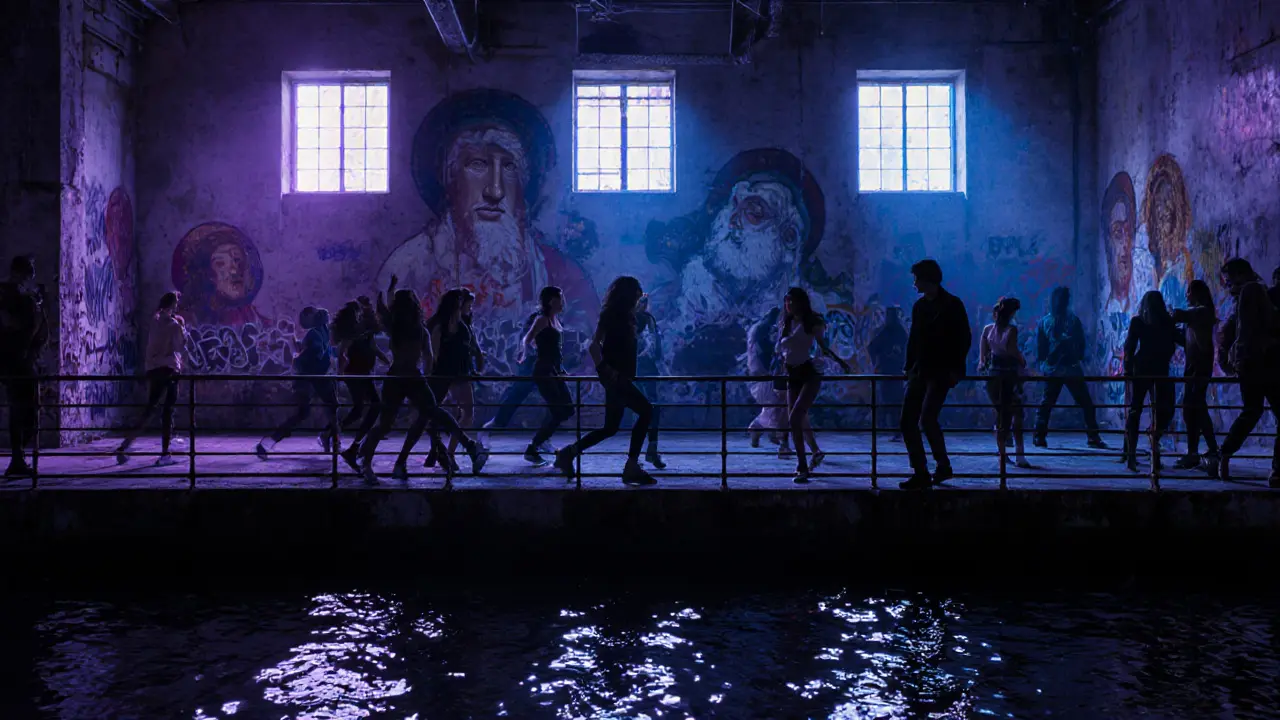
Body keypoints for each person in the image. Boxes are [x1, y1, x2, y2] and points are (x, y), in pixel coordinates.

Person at [358, 278, 488, 482]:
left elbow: (428, 357)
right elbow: (428, 358)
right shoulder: (415, 329)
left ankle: (367, 463)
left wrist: (386, 294)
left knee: (389, 422)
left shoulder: (403, 328)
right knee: (424, 414)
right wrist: (387, 294)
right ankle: (366, 461)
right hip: (410, 377)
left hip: (400, 377)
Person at [553, 276, 656, 486]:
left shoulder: (629, 317)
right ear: (629, 294)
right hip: (617, 379)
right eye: (637, 294)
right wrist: (606, 370)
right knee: (646, 411)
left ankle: (568, 453)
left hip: (620, 377)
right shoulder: (611, 315)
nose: (639, 298)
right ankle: (631, 466)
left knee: (610, 428)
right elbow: (594, 346)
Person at [899, 259, 970, 490]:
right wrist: (909, 367)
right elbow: (913, 339)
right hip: (920, 370)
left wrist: (955, 369)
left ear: (927, 279)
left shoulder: (952, 305)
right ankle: (922, 471)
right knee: (907, 421)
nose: (914, 284)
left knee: (927, 418)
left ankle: (941, 466)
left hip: (941, 371)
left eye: (916, 279)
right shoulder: (920, 307)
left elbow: (963, 339)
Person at [776, 287, 850, 484]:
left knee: (795, 417)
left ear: (801, 302)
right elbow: (783, 351)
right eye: (787, 301)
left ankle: (802, 466)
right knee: (797, 419)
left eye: (792, 301)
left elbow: (823, 347)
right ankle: (808, 458)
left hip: (809, 374)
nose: (789, 304)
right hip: (792, 375)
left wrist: (840, 362)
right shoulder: (786, 323)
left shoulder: (811, 322)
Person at [1216, 258, 1279, 486]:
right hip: (1262, 362)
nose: (1227, 285)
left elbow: (1239, 329)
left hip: (1252, 362)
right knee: (1255, 411)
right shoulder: (1254, 290)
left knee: (1251, 411)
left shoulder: (1248, 293)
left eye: (1229, 280)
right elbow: (1254, 326)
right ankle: (1277, 471)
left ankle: (1224, 453)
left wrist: (1234, 358)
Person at [256, 307, 341, 459]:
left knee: (326, 409)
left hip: (315, 378)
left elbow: (316, 352)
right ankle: (329, 439)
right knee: (314, 411)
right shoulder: (317, 334)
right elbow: (312, 353)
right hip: (312, 379)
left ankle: (330, 439)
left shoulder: (319, 333)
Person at [114, 292, 188, 467]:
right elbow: (180, 346)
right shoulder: (174, 325)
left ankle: (125, 446)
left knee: (150, 409)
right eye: (176, 302)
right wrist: (183, 328)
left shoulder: (155, 321)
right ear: (173, 304)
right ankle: (165, 454)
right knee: (168, 411)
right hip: (169, 369)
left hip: (153, 369)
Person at [1033, 286, 1108, 449]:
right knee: (1085, 403)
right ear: (1067, 301)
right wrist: (1076, 356)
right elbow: (1081, 345)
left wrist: (1046, 362)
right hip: (1071, 367)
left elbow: (1041, 350)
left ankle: (1039, 436)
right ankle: (1093, 436)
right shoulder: (1073, 320)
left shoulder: (1045, 322)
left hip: (1054, 369)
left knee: (1047, 403)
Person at [0, 256, 49, 477]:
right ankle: (17, 458)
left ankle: (18, 457)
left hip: (22, 360)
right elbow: (17, 327)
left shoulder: (24, 297)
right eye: (30, 272)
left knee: (25, 410)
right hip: (17, 361)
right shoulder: (12, 297)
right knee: (24, 410)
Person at [1119, 291, 1178, 472]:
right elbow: (1176, 342)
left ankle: (1130, 455)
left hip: (1142, 369)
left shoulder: (1139, 321)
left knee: (1135, 410)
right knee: (1161, 411)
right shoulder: (1166, 321)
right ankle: (1152, 453)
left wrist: (1127, 369)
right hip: (1159, 369)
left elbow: (1129, 347)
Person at [518, 286, 575, 467]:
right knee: (559, 410)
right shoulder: (542, 319)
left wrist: (560, 368)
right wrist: (527, 355)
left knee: (567, 409)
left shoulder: (555, 319)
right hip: (544, 371)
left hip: (554, 371)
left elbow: (556, 350)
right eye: (560, 298)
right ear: (551, 301)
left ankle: (541, 441)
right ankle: (534, 447)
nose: (563, 302)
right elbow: (527, 339)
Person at [423, 289, 479, 474]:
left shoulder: (463, 323)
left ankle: (446, 452)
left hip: (459, 372)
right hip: (444, 374)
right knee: (434, 413)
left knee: (464, 412)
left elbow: (468, 346)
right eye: (467, 304)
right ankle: (442, 450)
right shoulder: (441, 324)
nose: (470, 308)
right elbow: (433, 352)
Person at [1171, 280, 1219, 475]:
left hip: (1199, 369)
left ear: (1197, 293)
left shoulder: (1201, 312)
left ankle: (1199, 452)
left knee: (1193, 409)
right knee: (1196, 410)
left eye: (1189, 291)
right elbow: (1185, 339)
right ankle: (1204, 450)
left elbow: (1178, 315)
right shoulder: (1198, 316)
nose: (1186, 295)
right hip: (1194, 368)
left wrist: (1166, 315)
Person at [978, 297, 1032, 469]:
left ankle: (1002, 455)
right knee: (1017, 414)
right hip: (1009, 375)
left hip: (993, 376)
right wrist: (1022, 361)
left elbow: (983, 357)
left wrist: (984, 364)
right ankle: (1019, 455)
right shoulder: (1012, 330)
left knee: (1001, 416)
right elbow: (1012, 350)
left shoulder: (987, 330)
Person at [333, 298, 387, 466]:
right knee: (368, 406)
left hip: (365, 373)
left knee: (365, 408)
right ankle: (346, 441)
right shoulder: (353, 330)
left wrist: (387, 361)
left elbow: (374, 347)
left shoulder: (367, 330)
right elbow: (342, 352)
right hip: (355, 373)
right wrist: (340, 372)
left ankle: (344, 440)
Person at [745, 306, 790, 454]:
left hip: (758, 374)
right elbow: (765, 351)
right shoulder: (764, 330)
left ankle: (760, 431)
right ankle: (776, 438)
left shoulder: (757, 328)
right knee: (778, 407)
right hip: (765, 375)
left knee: (775, 407)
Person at [634, 294, 666, 469]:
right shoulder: (645, 320)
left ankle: (647, 451)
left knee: (648, 410)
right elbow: (656, 348)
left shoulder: (644, 320)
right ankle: (645, 452)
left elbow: (656, 348)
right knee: (649, 410)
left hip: (642, 369)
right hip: (641, 369)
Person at [868, 305, 908, 442]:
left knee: (893, 401)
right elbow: (872, 347)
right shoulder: (892, 332)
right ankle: (895, 429)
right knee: (891, 401)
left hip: (893, 371)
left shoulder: (893, 332)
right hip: (890, 370)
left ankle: (896, 429)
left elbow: (872, 347)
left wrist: (877, 362)